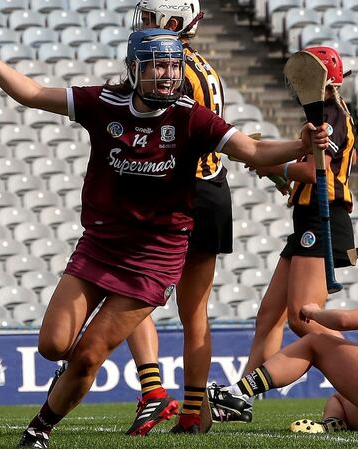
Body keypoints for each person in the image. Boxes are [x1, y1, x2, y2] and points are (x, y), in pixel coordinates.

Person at [0, 25, 329, 449]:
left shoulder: (191, 116)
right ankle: (70, 375)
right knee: (53, 345)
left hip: (155, 258)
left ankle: (38, 431)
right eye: (158, 65)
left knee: (88, 357)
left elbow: (253, 151)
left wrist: (297, 143)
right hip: (101, 246)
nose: (169, 74)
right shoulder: (104, 103)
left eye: (174, 65)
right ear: (135, 69)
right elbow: (31, 93)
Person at [207, 46, 357, 422]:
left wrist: (277, 164)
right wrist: (274, 169)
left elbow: (313, 173)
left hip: (324, 220)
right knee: (268, 317)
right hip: (307, 220)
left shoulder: (331, 117)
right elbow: (304, 174)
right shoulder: (325, 117)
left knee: (303, 320)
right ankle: (240, 398)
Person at [120, 0, 233, 435]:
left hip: (175, 192)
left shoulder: (166, 67)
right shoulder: (205, 67)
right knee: (195, 314)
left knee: (129, 292)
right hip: (213, 190)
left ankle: (152, 393)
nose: (144, 25)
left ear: (170, 22)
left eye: (150, 18)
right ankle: (192, 411)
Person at [208, 258, 358, 443]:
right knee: (339, 399)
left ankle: (237, 392)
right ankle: (331, 423)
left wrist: (313, 312)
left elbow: (344, 320)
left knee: (316, 342)